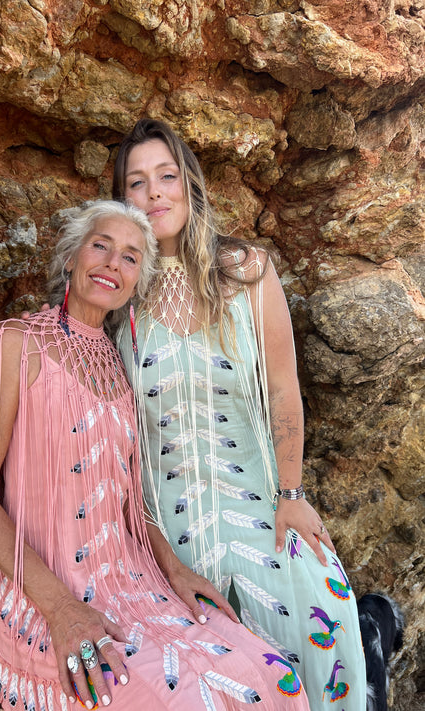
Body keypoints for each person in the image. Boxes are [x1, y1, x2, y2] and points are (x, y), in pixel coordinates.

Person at [0, 199, 312, 711]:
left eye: (130, 257)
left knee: (274, 677)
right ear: (72, 256)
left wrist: (176, 571)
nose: (112, 264)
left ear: (136, 282)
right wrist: (61, 610)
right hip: (42, 594)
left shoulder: (119, 368)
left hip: (133, 585)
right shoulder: (13, 343)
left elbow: (129, 502)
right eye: (100, 245)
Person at [111, 119, 367, 710]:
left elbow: (282, 386)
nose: (154, 193)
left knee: (327, 622)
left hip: (264, 509)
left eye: (167, 176)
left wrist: (292, 493)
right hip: (172, 538)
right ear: (121, 200)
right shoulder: (120, 294)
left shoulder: (246, 270)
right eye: (136, 182)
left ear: (189, 184)